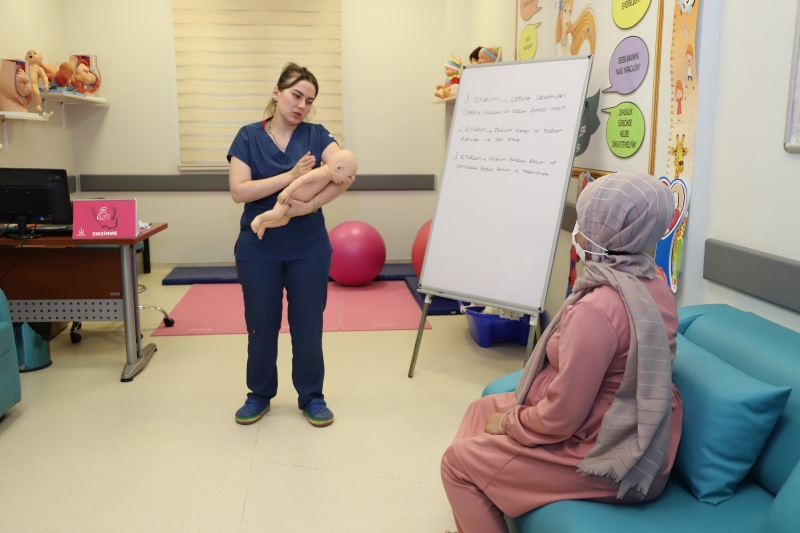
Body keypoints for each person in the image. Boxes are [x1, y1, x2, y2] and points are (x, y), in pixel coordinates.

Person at [441, 173, 683, 533]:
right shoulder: (651, 280)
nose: (581, 229)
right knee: (482, 408)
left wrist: (511, 422)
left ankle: (479, 490)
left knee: (456, 463)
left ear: (609, 231)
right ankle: (481, 506)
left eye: (588, 221)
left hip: (608, 453)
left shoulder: (598, 308)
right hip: (632, 429)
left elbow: (562, 417)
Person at [227, 62, 352, 427]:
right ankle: (259, 394)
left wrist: (310, 204)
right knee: (261, 324)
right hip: (259, 247)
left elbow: (343, 172)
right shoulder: (248, 137)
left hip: (308, 246)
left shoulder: (317, 135)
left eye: (309, 100)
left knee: (308, 324)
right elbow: (240, 191)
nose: (302, 105)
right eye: (296, 95)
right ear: (277, 92)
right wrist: (290, 177)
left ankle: (312, 396)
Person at [250, 149, 356, 239]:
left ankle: (264, 225)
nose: (348, 181)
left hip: (296, 202)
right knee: (277, 214)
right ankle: (259, 219)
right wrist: (287, 192)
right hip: (289, 197)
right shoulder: (320, 173)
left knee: (284, 221)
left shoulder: (327, 178)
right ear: (338, 168)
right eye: (348, 176)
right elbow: (301, 180)